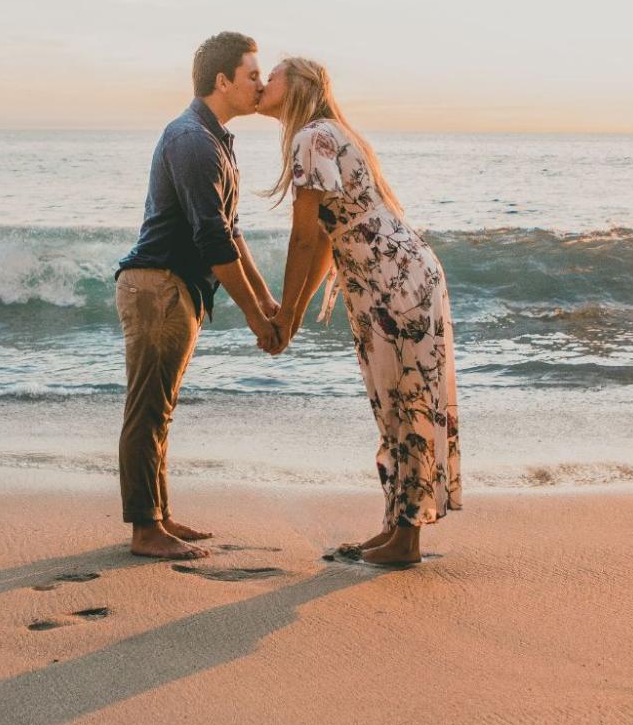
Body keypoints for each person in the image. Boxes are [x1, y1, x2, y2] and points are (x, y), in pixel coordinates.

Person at [260, 57, 460, 566]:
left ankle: (408, 538)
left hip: (393, 282)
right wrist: (296, 312)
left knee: (406, 402)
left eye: (273, 75)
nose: (264, 82)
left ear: (298, 87)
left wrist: (284, 316)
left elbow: (305, 236)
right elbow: (328, 238)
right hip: (392, 279)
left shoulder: (312, 136)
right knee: (392, 402)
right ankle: (397, 525)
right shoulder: (327, 133)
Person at [113, 32, 281, 560]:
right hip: (156, 286)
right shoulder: (191, 140)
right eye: (253, 75)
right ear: (222, 80)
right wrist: (256, 317)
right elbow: (212, 241)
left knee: (161, 407)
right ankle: (145, 529)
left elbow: (231, 232)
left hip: (174, 288)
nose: (261, 83)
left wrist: (268, 301)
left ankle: (158, 517)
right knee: (148, 408)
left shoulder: (214, 140)